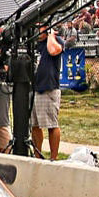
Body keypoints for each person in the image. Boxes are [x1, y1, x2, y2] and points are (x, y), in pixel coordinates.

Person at [31, 23, 67, 160]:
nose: (37, 30)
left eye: (40, 27)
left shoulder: (55, 40)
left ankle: (53, 157)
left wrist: (51, 34)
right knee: (35, 125)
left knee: (51, 124)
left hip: (48, 88)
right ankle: (37, 155)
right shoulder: (33, 44)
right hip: (33, 88)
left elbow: (53, 51)